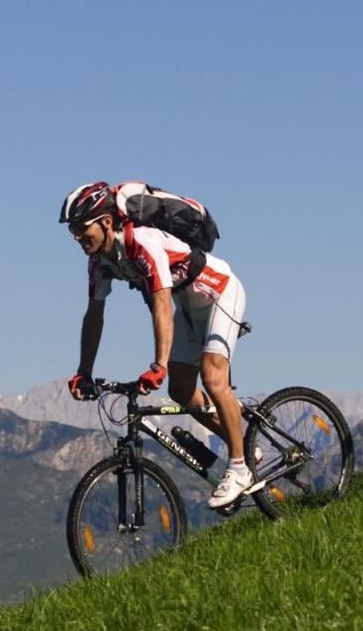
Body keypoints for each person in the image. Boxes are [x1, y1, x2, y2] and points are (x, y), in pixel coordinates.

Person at [60, 181, 258, 508]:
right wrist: (84, 371)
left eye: (82, 229)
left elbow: (162, 305)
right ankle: (242, 442)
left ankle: (239, 468)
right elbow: (94, 315)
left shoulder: (142, 243)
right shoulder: (99, 262)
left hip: (220, 292)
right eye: (73, 232)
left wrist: (158, 365)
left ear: (106, 222)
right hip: (189, 306)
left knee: (212, 377)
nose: (78, 238)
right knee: (181, 390)